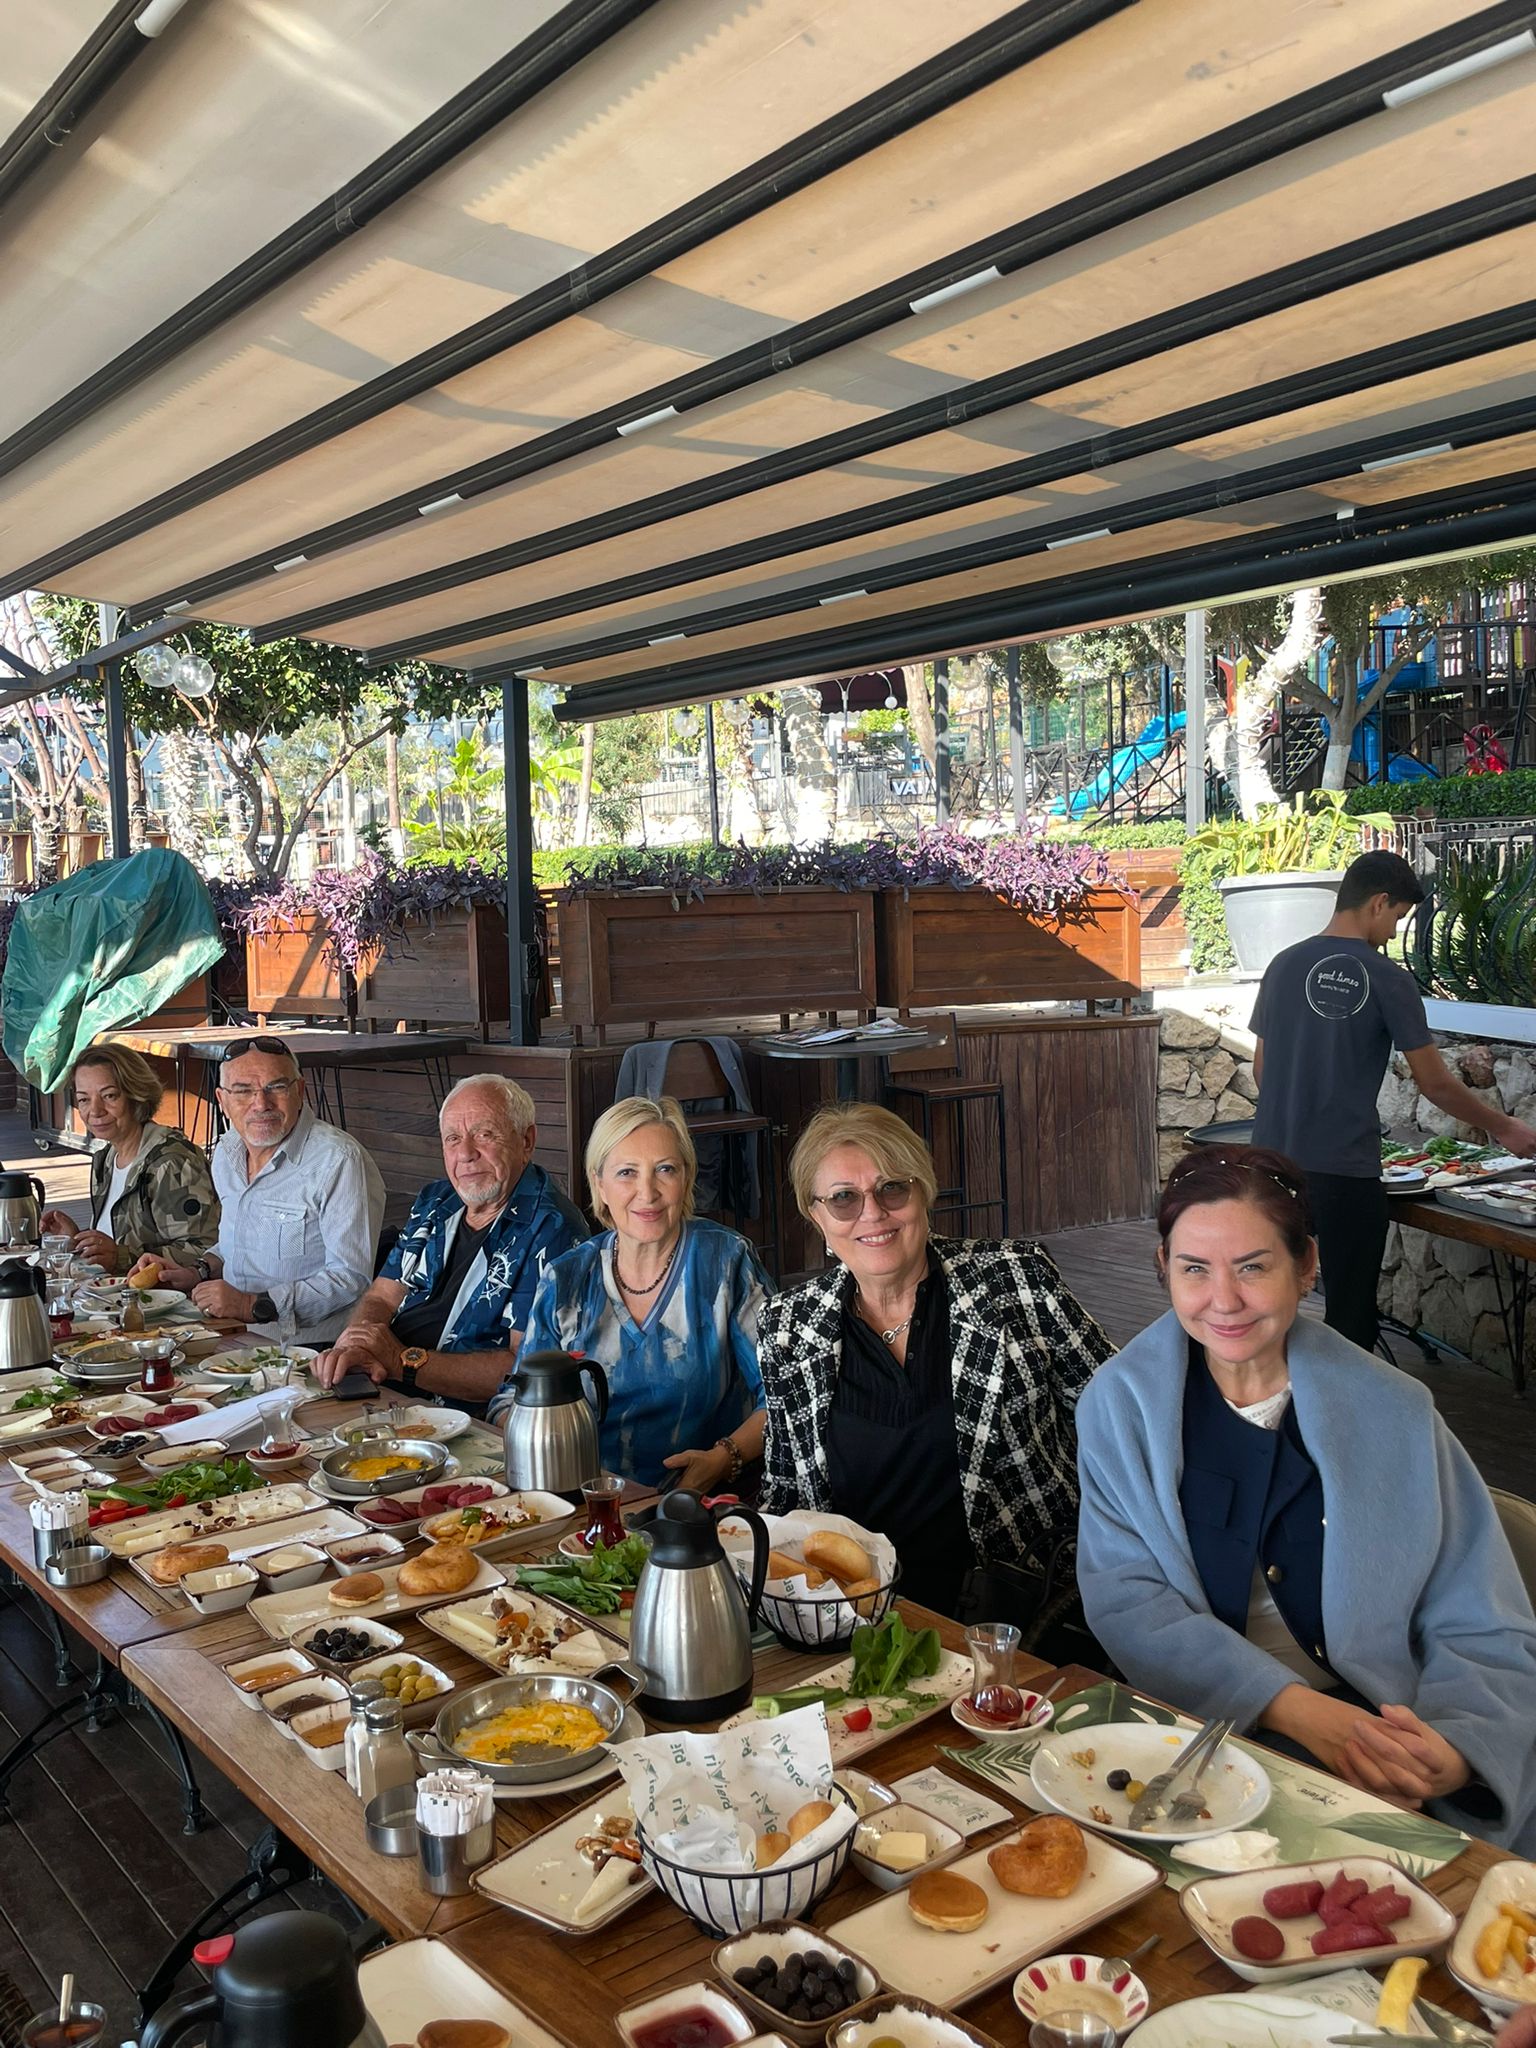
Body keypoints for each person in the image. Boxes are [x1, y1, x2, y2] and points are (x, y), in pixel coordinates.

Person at [1076, 1146, 1536, 1852]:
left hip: (1393, 1724)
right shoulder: (1119, 1406)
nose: (1223, 1300)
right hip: (1200, 1732)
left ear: (1307, 1265)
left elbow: (1485, 1624)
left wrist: (1454, 1751)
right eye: (1194, 1268)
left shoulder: (1396, 1412)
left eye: (1252, 1267)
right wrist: (1298, 1713)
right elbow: (1128, 1599)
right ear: (1164, 1266)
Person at [756, 1102, 1113, 1620]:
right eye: (843, 1198)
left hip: (1020, 1611)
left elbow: (1120, 1415)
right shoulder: (787, 1325)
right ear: (817, 1217)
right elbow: (784, 1492)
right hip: (857, 1618)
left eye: (892, 1188)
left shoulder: (1015, 1280)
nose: (872, 1213)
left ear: (924, 1192)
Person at [1250, 848, 1536, 1352]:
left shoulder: (1282, 964)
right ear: (1379, 902)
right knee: (1350, 1316)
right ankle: (1345, 1402)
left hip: (1270, 1165)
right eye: (1398, 918)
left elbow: (1261, 1070)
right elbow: (1435, 1083)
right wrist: (1506, 1126)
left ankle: (1276, 1398)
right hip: (1343, 1171)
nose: (1392, 932)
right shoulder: (1387, 978)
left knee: (1268, 1304)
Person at [491, 1096, 768, 1492]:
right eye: (626, 1173)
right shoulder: (566, 1279)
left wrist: (723, 1459)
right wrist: (551, 1454)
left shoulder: (725, 1261)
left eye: (665, 1169)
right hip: (584, 1498)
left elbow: (783, 1392)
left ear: (687, 1177)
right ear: (599, 1184)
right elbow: (512, 1402)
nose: (647, 1192)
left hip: (702, 1503)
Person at [315, 1075, 587, 1410]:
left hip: (461, 1416)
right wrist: (357, 1345)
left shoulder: (553, 1229)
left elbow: (527, 1367)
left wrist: (402, 1361)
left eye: (485, 1134)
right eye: (453, 1139)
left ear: (526, 1140)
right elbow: (382, 1296)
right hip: (382, 1388)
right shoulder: (436, 1200)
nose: (466, 1154)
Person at [149, 1039, 384, 1346]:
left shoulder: (338, 1160)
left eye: (276, 1087)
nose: (261, 1104)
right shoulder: (227, 1151)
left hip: (310, 1351)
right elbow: (240, 1242)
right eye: (243, 1091)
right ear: (222, 1100)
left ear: (300, 1091)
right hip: (230, 1335)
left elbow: (350, 1278)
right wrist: (198, 1271)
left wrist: (252, 1305)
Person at [40, 1045, 218, 1274]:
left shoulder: (171, 1162)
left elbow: (204, 1250)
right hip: (114, 1290)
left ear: (137, 1096)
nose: (95, 1110)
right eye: (84, 1099)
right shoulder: (106, 1158)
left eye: (109, 1096)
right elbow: (119, 1243)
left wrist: (121, 1257)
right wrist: (77, 1239)